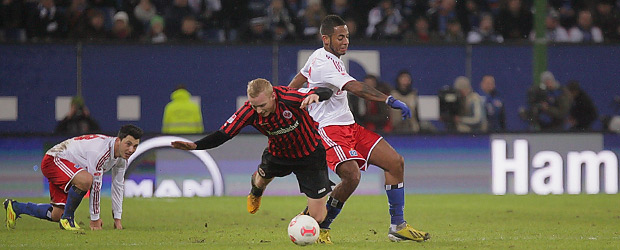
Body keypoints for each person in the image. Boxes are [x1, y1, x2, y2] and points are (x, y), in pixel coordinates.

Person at [287, 15, 429, 243]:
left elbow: (301, 76)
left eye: (347, 37)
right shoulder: (324, 63)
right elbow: (355, 87)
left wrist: (289, 95)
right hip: (329, 130)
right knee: (351, 176)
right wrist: (389, 100)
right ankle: (322, 226)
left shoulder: (320, 56)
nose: (345, 42)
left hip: (350, 127)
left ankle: (398, 225)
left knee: (395, 163)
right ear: (326, 39)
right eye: (340, 37)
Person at [170, 78, 334, 225]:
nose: (258, 111)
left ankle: (301, 223)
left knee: (318, 217)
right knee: (260, 181)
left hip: (310, 154)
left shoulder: (289, 97)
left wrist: (316, 96)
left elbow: (325, 91)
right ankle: (256, 192)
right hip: (278, 154)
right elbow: (223, 134)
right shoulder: (249, 111)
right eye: (254, 106)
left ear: (272, 97)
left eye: (262, 106)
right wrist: (196, 146)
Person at [4, 124, 143, 230]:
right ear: (119, 140)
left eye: (135, 146)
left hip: (67, 167)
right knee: (87, 180)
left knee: (56, 214)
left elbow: (118, 186)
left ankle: (16, 207)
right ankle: (68, 219)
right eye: (128, 144)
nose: (131, 150)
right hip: (54, 159)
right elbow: (95, 186)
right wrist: (95, 219)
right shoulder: (101, 152)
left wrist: (117, 218)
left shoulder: (121, 159)